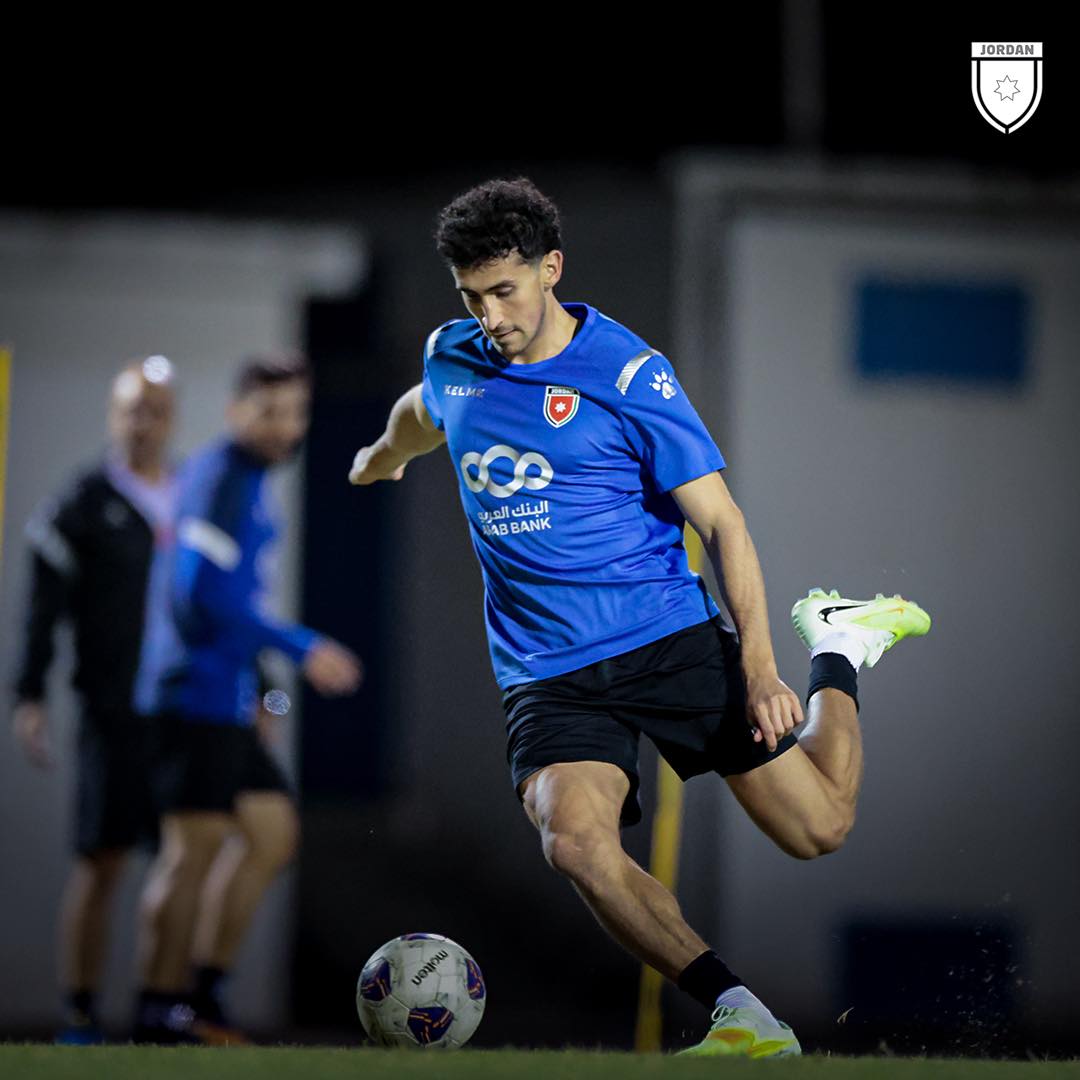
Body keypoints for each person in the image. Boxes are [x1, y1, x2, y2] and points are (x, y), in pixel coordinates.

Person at [347, 178, 931, 1058]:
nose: (491, 316)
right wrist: (382, 456)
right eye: (471, 297)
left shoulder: (628, 373)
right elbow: (424, 410)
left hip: (665, 639)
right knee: (575, 844)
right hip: (547, 674)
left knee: (818, 830)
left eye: (504, 291)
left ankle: (840, 644)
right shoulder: (454, 355)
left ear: (550, 269)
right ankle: (742, 1013)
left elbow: (723, 524)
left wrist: (762, 670)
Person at [133, 353, 362, 1044]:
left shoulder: (254, 481)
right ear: (237, 412)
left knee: (270, 833)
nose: (285, 426)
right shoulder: (219, 477)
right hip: (188, 696)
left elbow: (234, 604)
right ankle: (157, 1010)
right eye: (270, 412)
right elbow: (198, 594)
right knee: (191, 852)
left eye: (296, 412)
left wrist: (264, 691)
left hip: (227, 698)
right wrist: (301, 647)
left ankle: (201, 998)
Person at [12, 357, 178, 1044]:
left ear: (171, 418)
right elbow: (43, 607)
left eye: (156, 410)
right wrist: (29, 694)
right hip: (111, 711)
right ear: (114, 415)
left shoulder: (193, 495)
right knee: (102, 862)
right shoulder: (82, 502)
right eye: (132, 409)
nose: (144, 422)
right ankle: (80, 1014)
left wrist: (264, 690)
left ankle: (162, 1011)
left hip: (185, 711)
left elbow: (222, 604)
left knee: (184, 860)